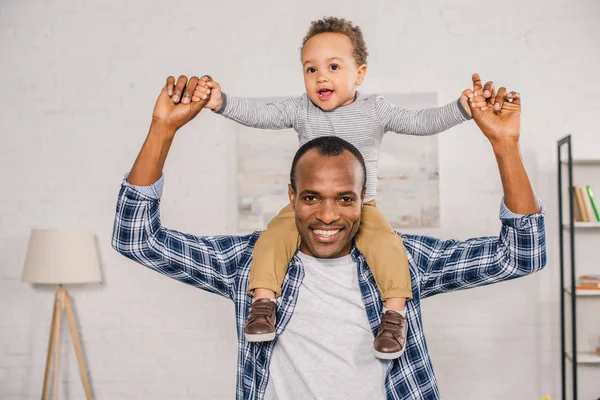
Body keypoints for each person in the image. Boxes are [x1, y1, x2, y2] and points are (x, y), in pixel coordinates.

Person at [112, 73, 546, 399]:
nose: (326, 215)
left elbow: (520, 256)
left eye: (344, 199)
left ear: (363, 199)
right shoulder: (247, 263)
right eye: (311, 197)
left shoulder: (402, 258)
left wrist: (506, 146)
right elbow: (136, 239)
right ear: (291, 197)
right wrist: (162, 130)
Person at [168, 16, 475, 358]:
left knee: (388, 246)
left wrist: (462, 109)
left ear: (359, 74)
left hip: (363, 206)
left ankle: (394, 315)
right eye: (310, 69)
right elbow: (261, 113)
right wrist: (221, 102)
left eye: (333, 66)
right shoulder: (302, 109)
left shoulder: (375, 109)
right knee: (272, 238)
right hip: (308, 206)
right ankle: (264, 303)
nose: (321, 76)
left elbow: (421, 122)